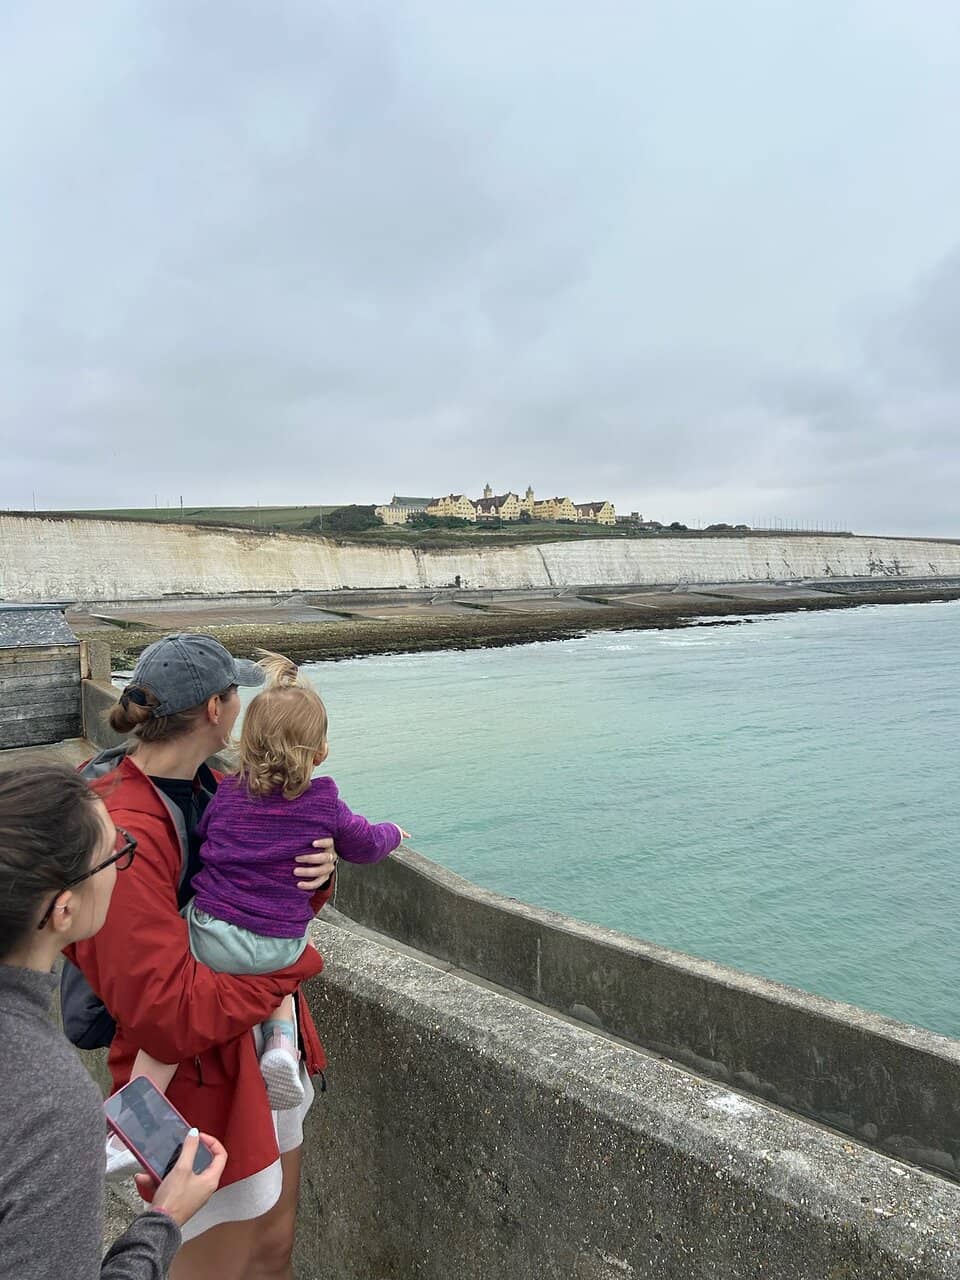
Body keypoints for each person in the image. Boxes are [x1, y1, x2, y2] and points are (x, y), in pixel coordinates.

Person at [68, 634, 340, 1280]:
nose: (243, 706)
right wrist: (288, 971)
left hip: (260, 1059)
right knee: (215, 1265)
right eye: (234, 693)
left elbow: (274, 897)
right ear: (215, 711)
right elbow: (165, 1013)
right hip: (196, 1091)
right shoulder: (125, 829)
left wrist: (321, 873)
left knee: (274, 1244)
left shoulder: (220, 786)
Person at [130, 650, 408, 1111]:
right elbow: (366, 843)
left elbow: (203, 838)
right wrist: (393, 834)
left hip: (213, 938)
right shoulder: (325, 804)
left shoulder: (227, 793)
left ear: (247, 744)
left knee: (167, 1030)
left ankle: (134, 1113)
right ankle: (281, 1046)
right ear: (320, 753)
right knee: (279, 979)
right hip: (281, 944)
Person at [0, 764, 228, 1279]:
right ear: (63, 911)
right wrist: (164, 1219)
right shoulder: (47, 1102)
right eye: (116, 855)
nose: (124, 866)